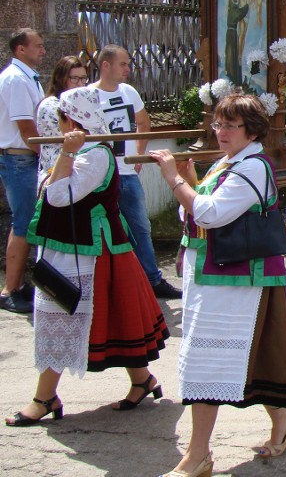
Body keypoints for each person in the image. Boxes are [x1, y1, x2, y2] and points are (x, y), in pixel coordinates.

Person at [149, 94, 286, 474]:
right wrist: (188, 180)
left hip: (236, 280)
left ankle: (197, 455)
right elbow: (207, 199)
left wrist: (172, 180)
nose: (221, 131)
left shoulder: (251, 166)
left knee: (210, 361)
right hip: (217, 276)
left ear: (251, 130)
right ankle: (285, 424)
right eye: (218, 124)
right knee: (242, 357)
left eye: (230, 125)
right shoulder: (231, 161)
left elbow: (209, 213)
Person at [6, 87, 169, 427]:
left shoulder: (93, 155)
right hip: (79, 248)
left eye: (61, 119)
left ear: (71, 120)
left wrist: (65, 155)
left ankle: (45, 397)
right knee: (105, 317)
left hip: (90, 252)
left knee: (64, 316)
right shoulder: (83, 151)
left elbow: (58, 197)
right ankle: (142, 380)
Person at [91, 45, 181, 299]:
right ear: (106, 65)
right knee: (100, 229)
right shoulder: (88, 95)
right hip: (100, 175)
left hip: (127, 172)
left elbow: (144, 122)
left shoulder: (129, 92)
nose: (128, 69)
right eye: (123, 64)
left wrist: (139, 153)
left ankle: (152, 280)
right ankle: (105, 284)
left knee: (140, 226)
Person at [0, 28, 46, 313]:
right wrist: (49, 155)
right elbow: (26, 128)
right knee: (24, 223)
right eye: (38, 46)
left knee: (28, 222)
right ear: (20, 49)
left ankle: (17, 285)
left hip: (25, 158)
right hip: (20, 158)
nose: (43, 50)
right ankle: (9, 289)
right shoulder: (16, 79)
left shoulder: (26, 76)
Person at [36, 56, 88, 182]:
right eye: (75, 79)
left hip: (79, 174)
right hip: (55, 174)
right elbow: (78, 134)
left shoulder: (82, 103)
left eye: (83, 78)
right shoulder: (50, 104)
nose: (80, 84)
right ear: (61, 79)